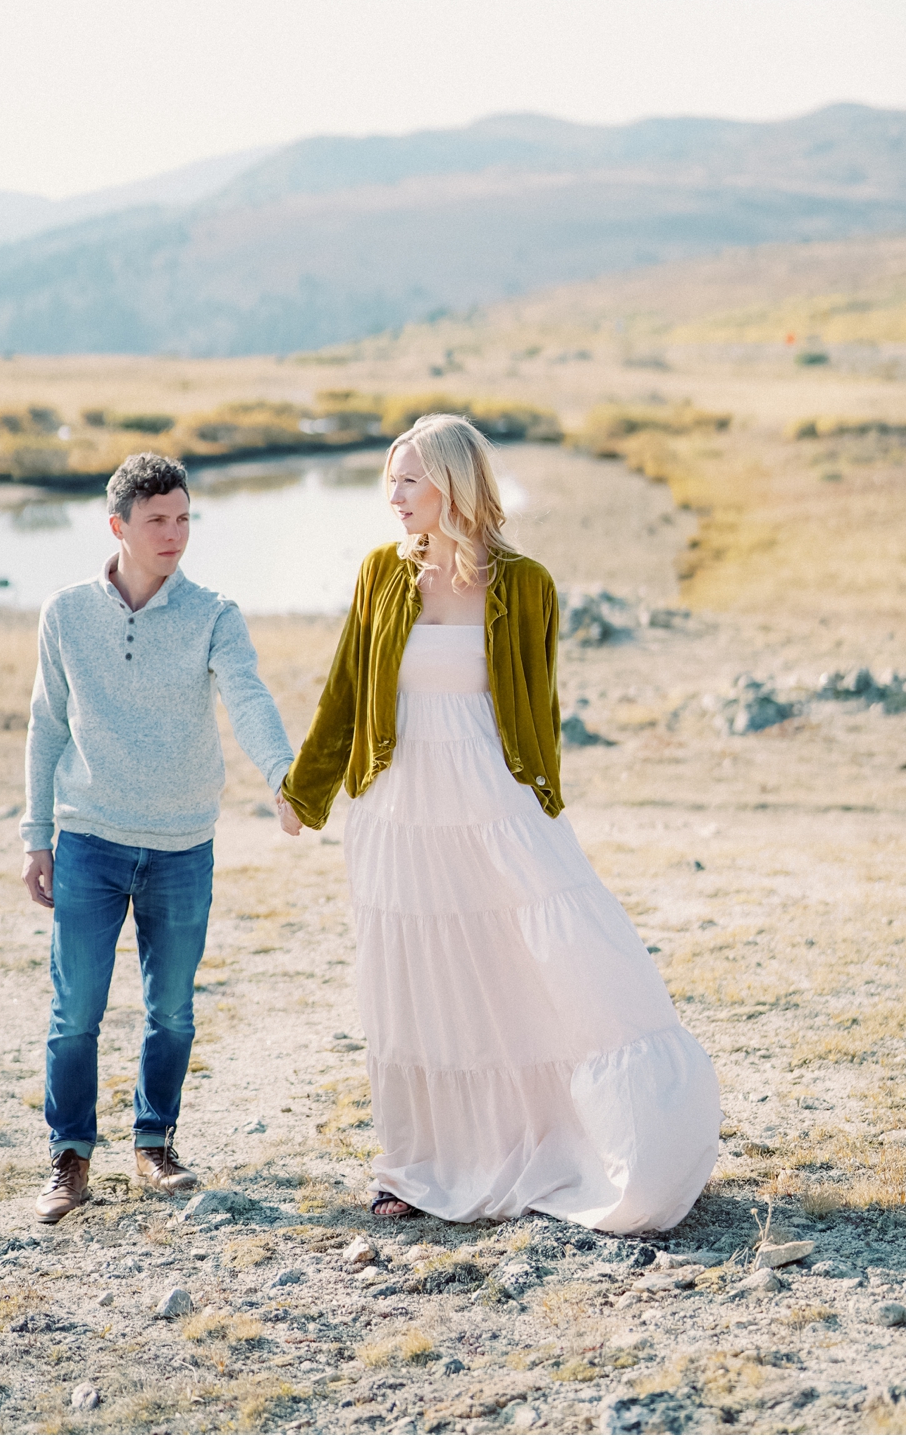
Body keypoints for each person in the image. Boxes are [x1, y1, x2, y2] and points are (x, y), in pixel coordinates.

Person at [275, 413, 721, 1231]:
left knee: (554, 958)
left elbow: (537, 711)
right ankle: (412, 1168)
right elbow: (344, 690)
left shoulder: (526, 585)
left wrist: (538, 806)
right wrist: (305, 793)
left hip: (492, 799)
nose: (394, 494)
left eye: (410, 478)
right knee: (412, 990)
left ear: (454, 483)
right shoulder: (381, 575)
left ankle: (609, 1131)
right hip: (399, 812)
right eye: (391, 478)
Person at [22, 451, 294, 1222]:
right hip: (89, 840)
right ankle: (69, 1157)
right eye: (157, 521)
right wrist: (35, 834)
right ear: (118, 526)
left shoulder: (214, 614)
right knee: (75, 1009)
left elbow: (248, 696)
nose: (174, 534)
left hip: (182, 843)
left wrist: (282, 775)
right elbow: (46, 727)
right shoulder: (66, 613)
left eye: (183, 518)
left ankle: (154, 1143)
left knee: (171, 1007)